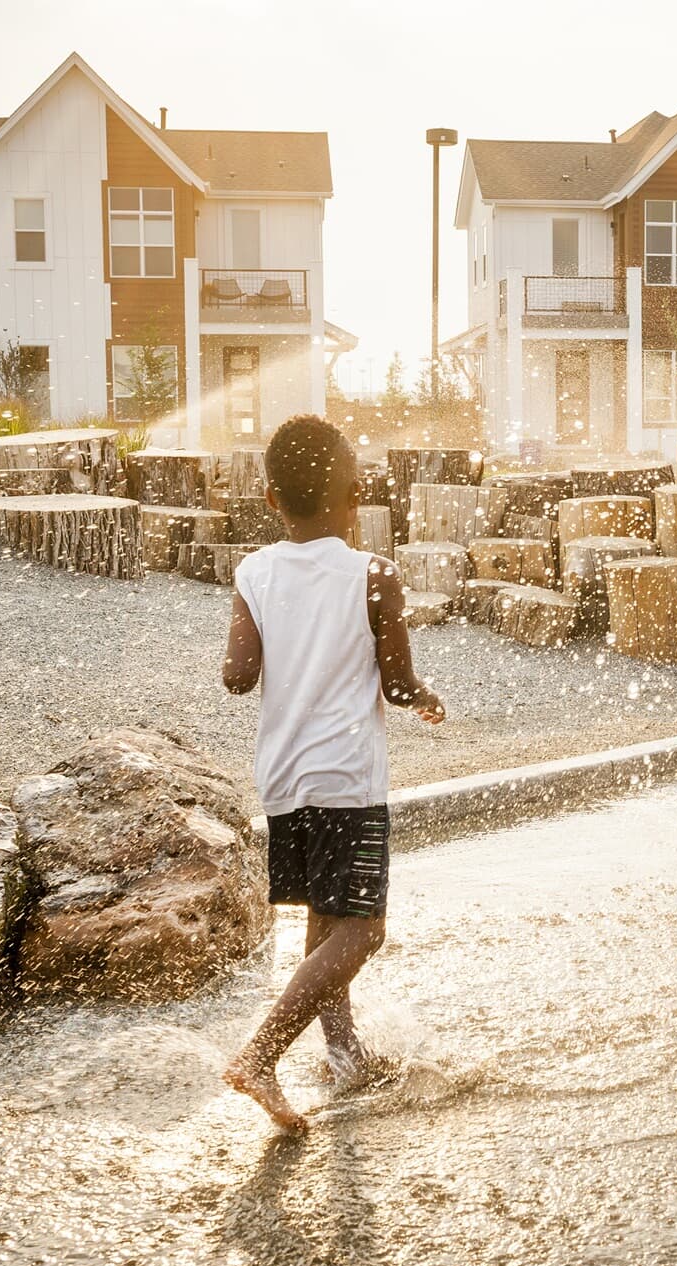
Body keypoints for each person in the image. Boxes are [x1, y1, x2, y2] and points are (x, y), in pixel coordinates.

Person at [220, 415, 444, 1132]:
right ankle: (260, 1055)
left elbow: (237, 676)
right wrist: (426, 696)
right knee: (363, 930)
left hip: (283, 781)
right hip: (347, 779)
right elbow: (398, 684)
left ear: (269, 499)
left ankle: (344, 1055)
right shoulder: (374, 574)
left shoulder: (254, 573)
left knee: (325, 917)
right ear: (356, 498)